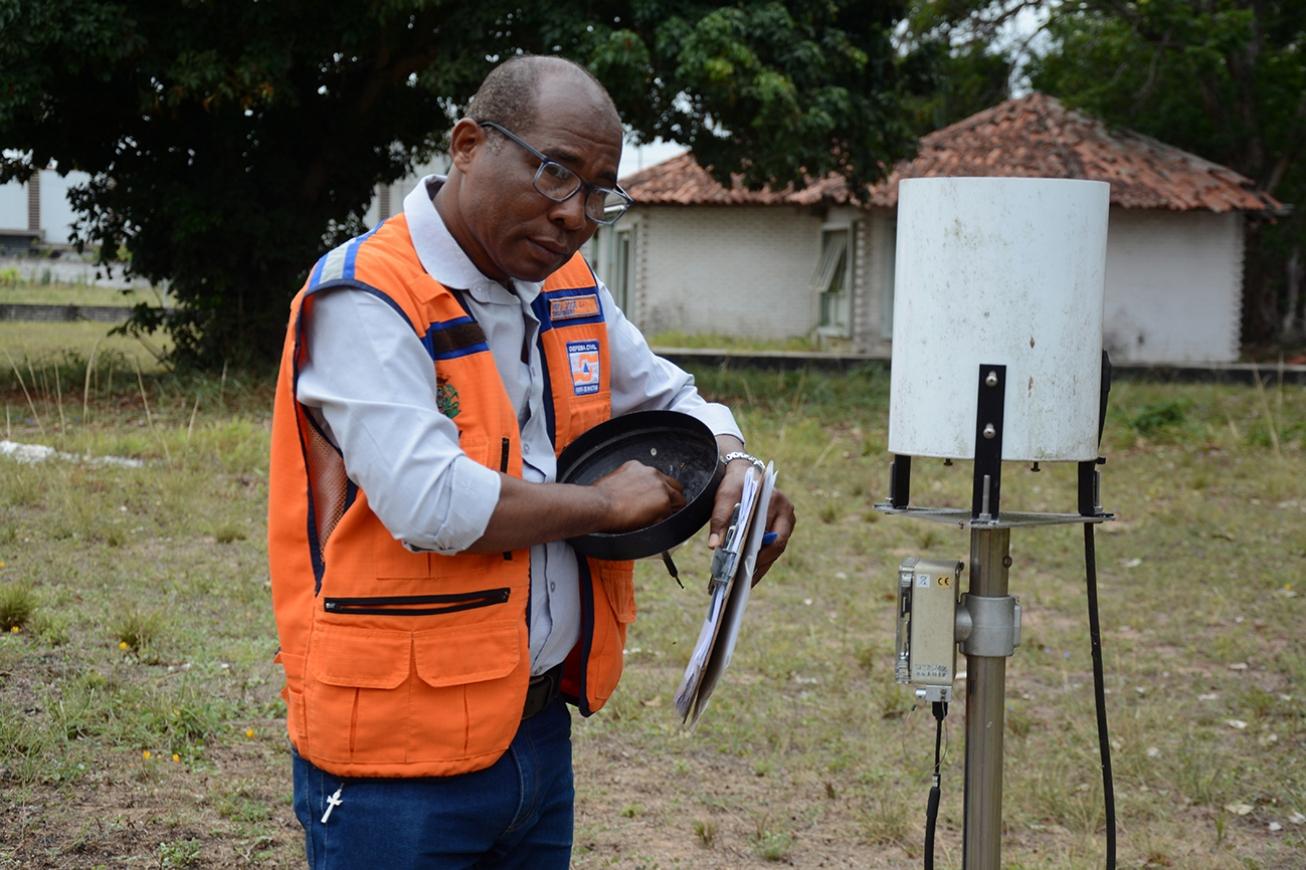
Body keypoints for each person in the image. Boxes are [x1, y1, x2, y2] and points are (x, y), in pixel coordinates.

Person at [267, 54, 795, 868]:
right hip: (394, 754)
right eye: (556, 172)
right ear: (469, 145)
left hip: (536, 731)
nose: (576, 214)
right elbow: (429, 502)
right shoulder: (366, 296)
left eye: (598, 192)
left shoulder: (568, 285)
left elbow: (669, 395)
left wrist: (736, 465)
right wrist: (601, 506)